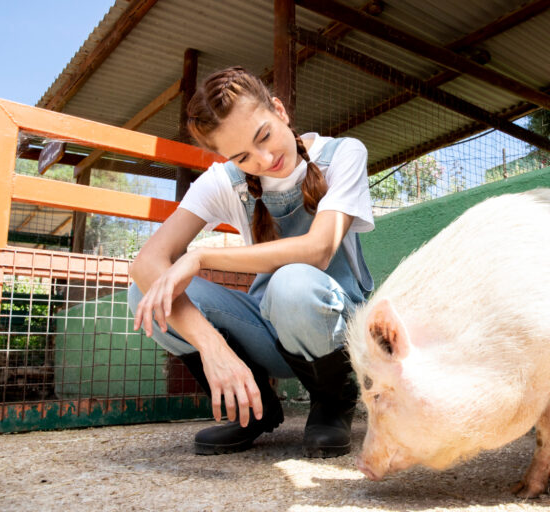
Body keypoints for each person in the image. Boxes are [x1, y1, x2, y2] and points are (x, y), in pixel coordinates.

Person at [128, 66, 374, 458]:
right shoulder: (224, 181)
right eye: (242, 156)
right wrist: (212, 347)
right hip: (269, 331)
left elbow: (319, 248)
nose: (264, 158)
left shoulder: (343, 154)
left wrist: (202, 257)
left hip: (339, 330)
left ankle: (332, 403)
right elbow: (146, 263)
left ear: (279, 110)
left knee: (292, 282)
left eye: (264, 136)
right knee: (146, 294)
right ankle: (251, 407)